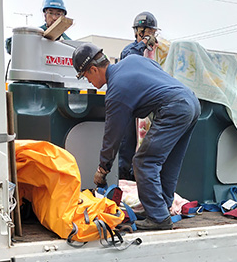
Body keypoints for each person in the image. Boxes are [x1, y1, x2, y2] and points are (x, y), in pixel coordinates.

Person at [72, 43, 200, 230]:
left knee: (144, 161)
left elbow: (112, 136)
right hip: (191, 102)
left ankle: (158, 218)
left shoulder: (116, 90)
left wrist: (103, 168)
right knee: (169, 161)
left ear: (93, 69)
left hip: (174, 107)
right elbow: (156, 74)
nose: (88, 82)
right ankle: (159, 209)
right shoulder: (133, 60)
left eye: (86, 77)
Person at [115, 12, 161, 180]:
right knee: (127, 144)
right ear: (138, 32)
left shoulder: (156, 52)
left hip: (149, 106)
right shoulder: (130, 50)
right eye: (147, 31)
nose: (151, 35)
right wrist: (142, 45)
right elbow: (129, 61)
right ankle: (124, 179)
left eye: (153, 32)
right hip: (131, 105)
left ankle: (139, 178)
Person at [5, 0, 69, 54]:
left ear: (63, 17)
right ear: (45, 15)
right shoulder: (36, 33)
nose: (54, 17)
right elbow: (10, 44)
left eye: (58, 14)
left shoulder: (67, 41)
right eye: (51, 13)